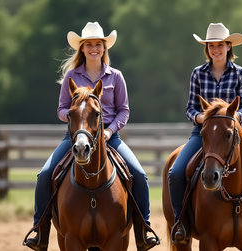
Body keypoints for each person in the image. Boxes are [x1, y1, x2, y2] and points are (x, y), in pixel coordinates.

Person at [24, 22, 158, 250]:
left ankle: (143, 231)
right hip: (75, 138)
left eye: (98, 44)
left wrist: (109, 130)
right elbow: (61, 109)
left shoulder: (115, 77)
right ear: (82, 49)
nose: (94, 48)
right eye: (89, 45)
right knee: (45, 175)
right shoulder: (71, 77)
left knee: (139, 175)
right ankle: (40, 232)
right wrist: (77, 116)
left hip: (109, 138)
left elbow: (123, 110)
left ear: (104, 48)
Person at [168, 22, 242, 244]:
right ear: (207, 48)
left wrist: (233, 120)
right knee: (175, 173)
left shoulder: (240, 73)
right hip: (203, 134)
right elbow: (191, 107)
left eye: (220, 45)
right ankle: (180, 222)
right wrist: (202, 118)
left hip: (234, 134)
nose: (216, 49)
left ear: (229, 46)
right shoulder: (197, 74)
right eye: (211, 45)